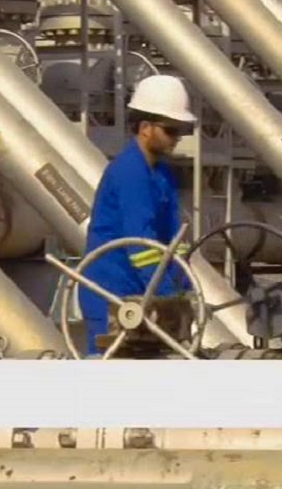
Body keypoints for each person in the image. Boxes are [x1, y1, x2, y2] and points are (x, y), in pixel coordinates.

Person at [79, 74, 197, 355]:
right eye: (171, 130)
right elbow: (141, 246)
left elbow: (172, 240)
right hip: (112, 296)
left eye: (181, 131)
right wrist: (169, 299)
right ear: (145, 128)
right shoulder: (130, 173)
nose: (177, 138)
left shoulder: (162, 173)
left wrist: (185, 289)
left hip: (142, 294)